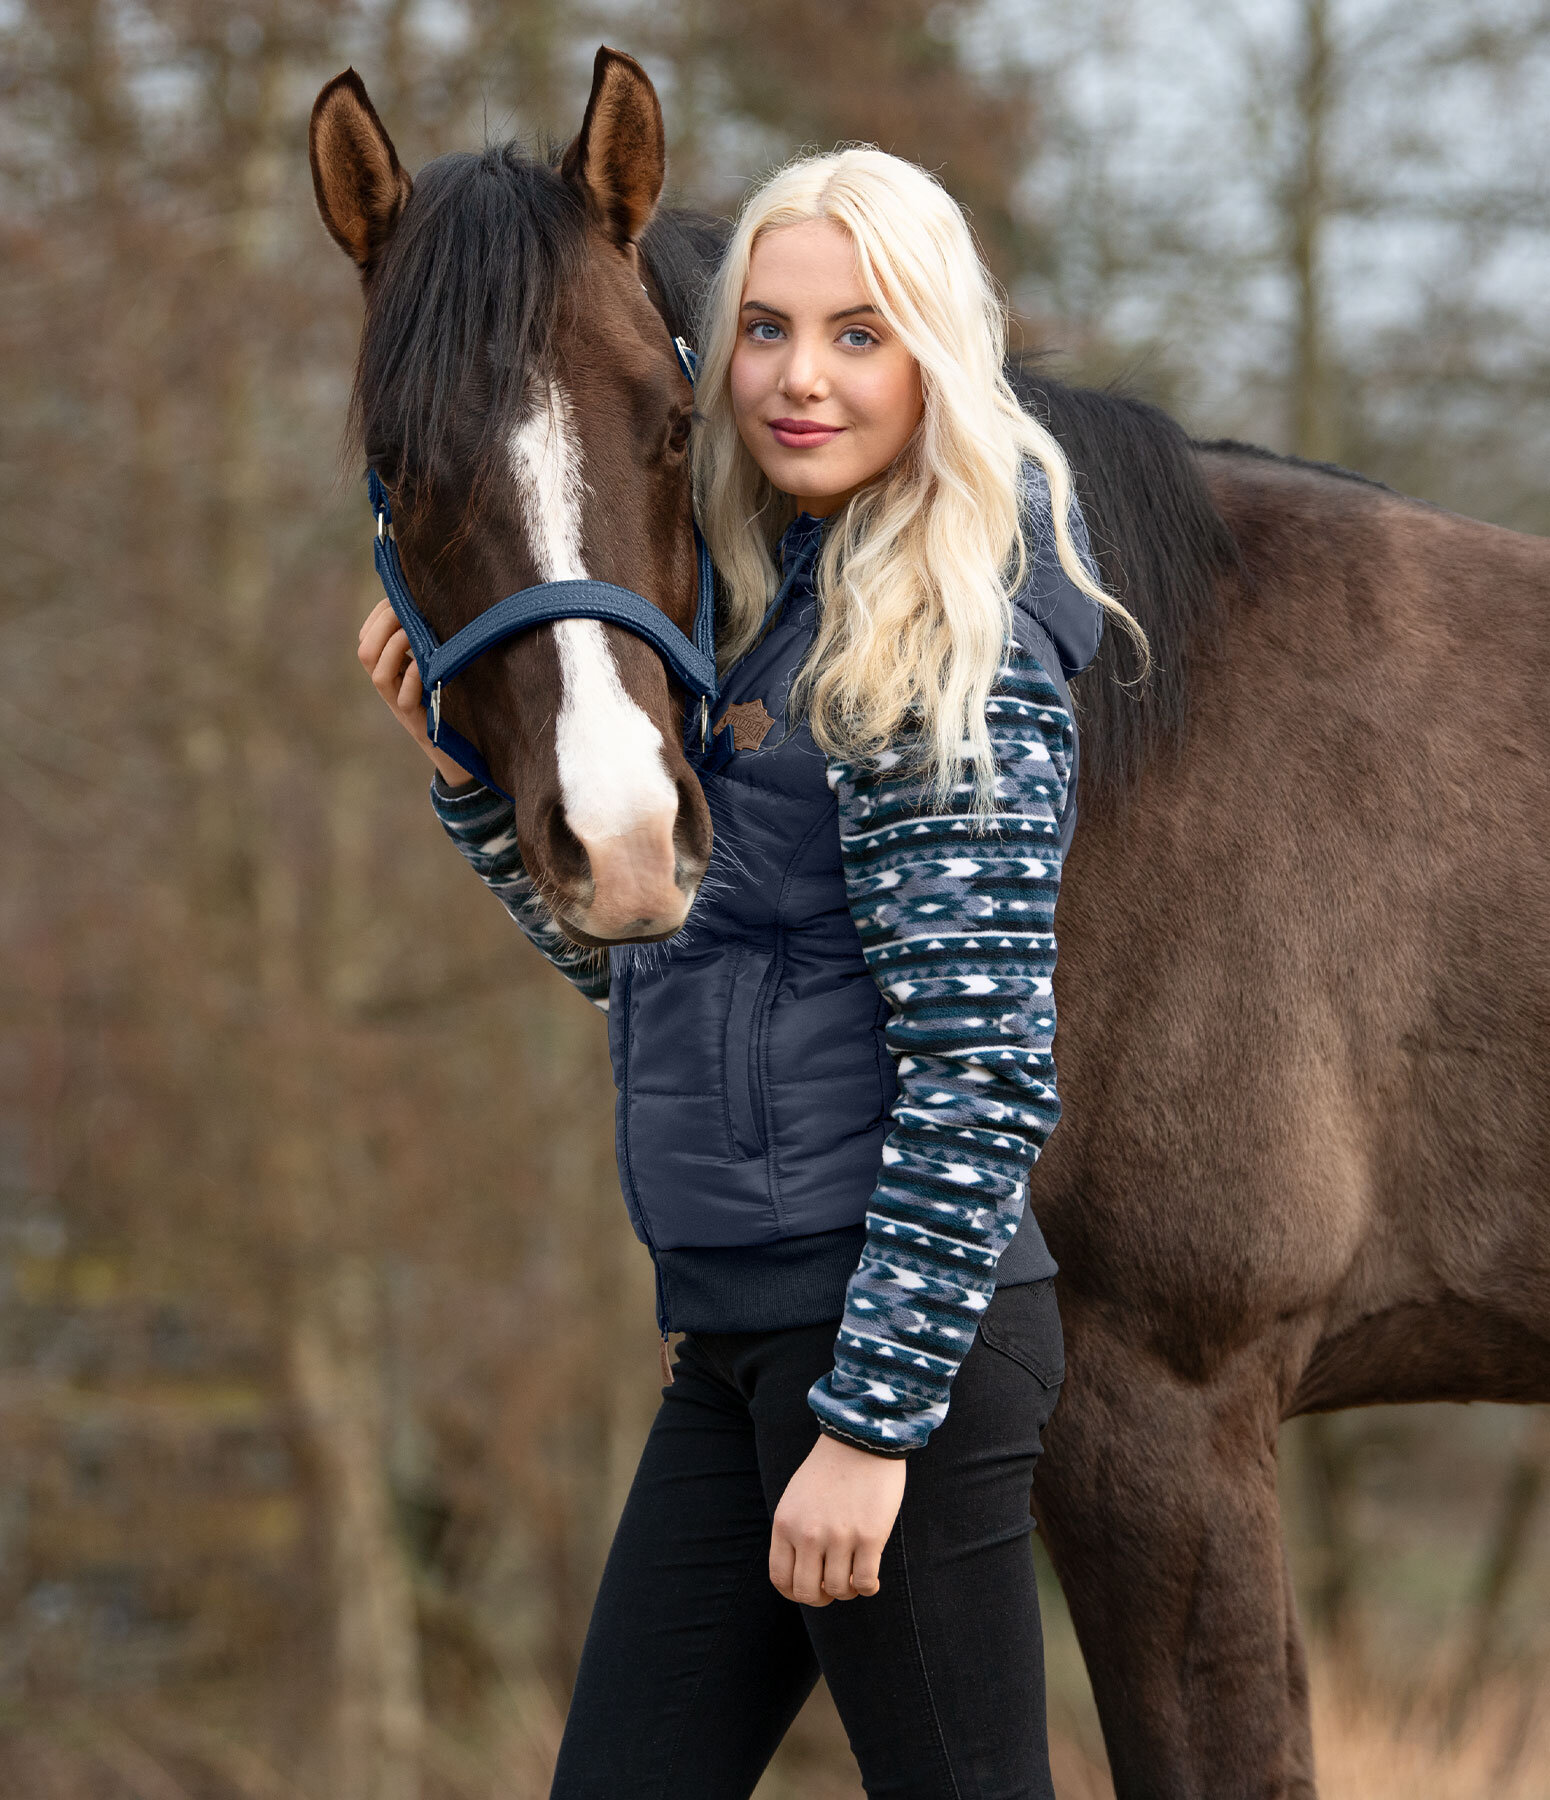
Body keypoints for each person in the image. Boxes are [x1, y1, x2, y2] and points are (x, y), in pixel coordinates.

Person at [358, 147, 1145, 1800]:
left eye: (859, 334)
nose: (798, 378)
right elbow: (666, 984)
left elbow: (986, 1069)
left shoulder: (941, 644)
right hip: (732, 1336)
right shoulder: (754, 626)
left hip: (885, 1346)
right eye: (766, 331)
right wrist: (468, 791)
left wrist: (868, 1431)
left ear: (936, 358)